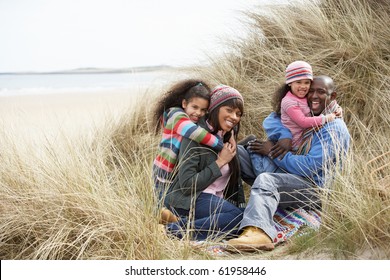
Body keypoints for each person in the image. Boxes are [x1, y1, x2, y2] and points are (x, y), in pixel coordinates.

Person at [227, 75, 350, 251]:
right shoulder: (308, 116)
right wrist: (283, 137)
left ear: (333, 96)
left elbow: (308, 167)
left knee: (267, 180)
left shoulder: (334, 128)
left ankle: (259, 232)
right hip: (291, 176)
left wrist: (272, 151)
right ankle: (230, 205)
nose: (314, 96)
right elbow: (275, 118)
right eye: (311, 91)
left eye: (321, 92)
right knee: (237, 154)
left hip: (314, 188)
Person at [162, 85, 246, 241]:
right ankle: (172, 231)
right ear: (215, 108)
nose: (234, 117)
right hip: (188, 199)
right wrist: (220, 161)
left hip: (211, 199)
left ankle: (182, 224)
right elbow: (187, 185)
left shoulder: (226, 136)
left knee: (246, 218)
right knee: (238, 218)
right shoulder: (195, 136)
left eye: (238, 113)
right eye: (229, 110)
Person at [152, 79, 224, 223]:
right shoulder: (175, 114)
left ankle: (169, 219)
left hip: (173, 174)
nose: (198, 113)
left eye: (203, 110)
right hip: (163, 173)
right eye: (194, 107)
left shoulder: (188, 117)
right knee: (162, 203)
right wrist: (221, 145)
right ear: (184, 104)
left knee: (169, 207)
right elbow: (194, 133)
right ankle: (162, 218)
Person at [248, 61, 338, 176]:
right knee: (265, 173)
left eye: (306, 82)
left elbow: (326, 101)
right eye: (298, 82)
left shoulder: (304, 97)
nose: (303, 86)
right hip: (292, 144)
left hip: (298, 144)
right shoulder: (289, 102)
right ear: (289, 83)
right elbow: (302, 122)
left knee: (280, 170)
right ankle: (249, 150)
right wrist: (324, 119)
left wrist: (336, 109)